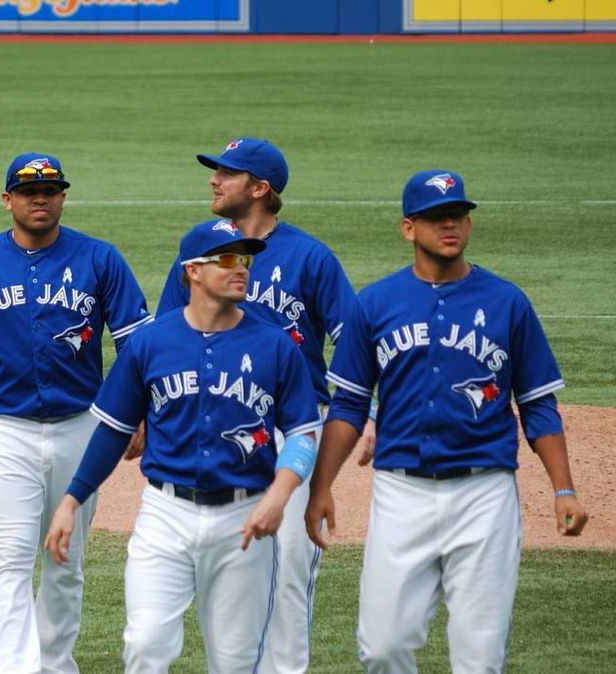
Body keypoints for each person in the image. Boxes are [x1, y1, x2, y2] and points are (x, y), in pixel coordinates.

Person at [305, 170, 589, 672]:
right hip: (400, 493)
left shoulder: (508, 303)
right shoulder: (375, 304)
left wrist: (563, 488)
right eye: (437, 217)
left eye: (458, 214)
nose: (451, 224)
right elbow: (349, 404)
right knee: (383, 647)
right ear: (409, 228)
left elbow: (538, 404)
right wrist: (321, 486)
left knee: (479, 657)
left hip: (484, 495)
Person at [0, 152, 151, 674]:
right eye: (26, 191)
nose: (39, 198)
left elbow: (136, 344)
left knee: (64, 559)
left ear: (63, 196)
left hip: (83, 429)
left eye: (49, 190)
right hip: (4, 432)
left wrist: (137, 415)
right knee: (11, 558)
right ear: (7, 200)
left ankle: (56, 664)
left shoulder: (100, 259)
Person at [45, 221, 322, 672]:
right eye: (228, 259)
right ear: (193, 271)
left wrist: (280, 493)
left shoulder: (275, 344)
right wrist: (71, 500)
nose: (243, 270)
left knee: (235, 662)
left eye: (246, 260)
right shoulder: (152, 343)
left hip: (244, 519)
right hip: (165, 516)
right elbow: (114, 431)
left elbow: (302, 434)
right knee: (145, 644)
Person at [155, 137, 364, 673]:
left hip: (293, 429)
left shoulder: (309, 257)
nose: (213, 181)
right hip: (218, 428)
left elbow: (354, 340)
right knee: (225, 571)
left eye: (226, 174)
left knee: (290, 571)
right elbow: (164, 336)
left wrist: (366, 411)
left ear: (259, 188)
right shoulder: (198, 248)